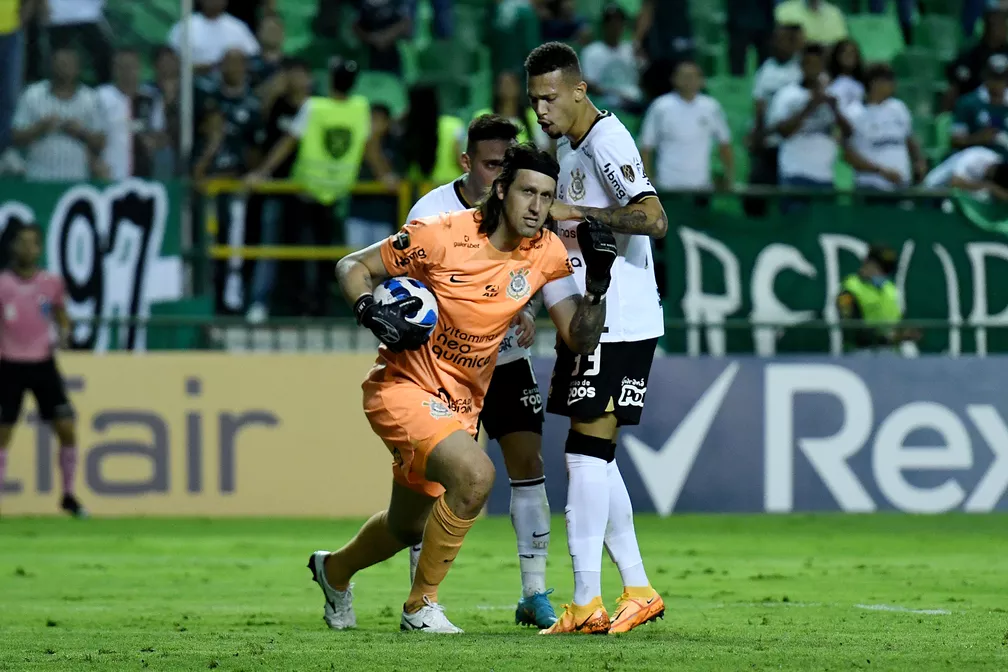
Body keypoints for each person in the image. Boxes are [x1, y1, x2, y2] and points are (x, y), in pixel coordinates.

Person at [309, 143, 616, 634]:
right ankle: (419, 607)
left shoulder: (545, 251)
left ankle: (334, 570)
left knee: (405, 525)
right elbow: (352, 266)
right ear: (500, 190)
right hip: (401, 386)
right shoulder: (442, 235)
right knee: (475, 477)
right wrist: (370, 311)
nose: (537, 207)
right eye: (527, 192)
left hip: (459, 405)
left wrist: (597, 287)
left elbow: (577, 338)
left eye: (546, 196)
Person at [525, 41, 668, 635]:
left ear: (580, 90)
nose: (541, 110)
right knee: (594, 457)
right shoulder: (567, 145)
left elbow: (653, 218)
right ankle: (634, 588)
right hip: (603, 316)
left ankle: (588, 600)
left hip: (618, 318)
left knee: (584, 456)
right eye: (535, 99)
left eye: (551, 97)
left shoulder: (608, 140)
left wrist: (578, 215)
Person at [403, 114, 558, 629]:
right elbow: (406, 288)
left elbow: (529, 272)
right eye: (491, 164)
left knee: (528, 461)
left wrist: (527, 309)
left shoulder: (525, 209)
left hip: (507, 363)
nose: (499, 176)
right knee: (438, 483)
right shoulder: (432, 212)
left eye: (506, 165)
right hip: (444, 368)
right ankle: (421, 596)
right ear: (466, 162)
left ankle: (534, 593)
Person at [247, 57, 395, 316]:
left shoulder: (318, 106)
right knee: (308, 254)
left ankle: (314, 307)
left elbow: (288, 142)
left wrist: (262, 172)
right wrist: (385, 175)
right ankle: (306, 306)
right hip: (317, 194)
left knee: (317, 255)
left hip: (317, 192)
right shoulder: (354, 108)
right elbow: (369, 148)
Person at [0, 223, 83, 518]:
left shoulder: (51, 283)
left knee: (67, 427)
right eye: (22, 243)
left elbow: (61, 314)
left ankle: (69, 495)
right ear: (13, 247)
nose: (27, 249)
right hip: (8, 364)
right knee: (3, 433)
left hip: (43, 363)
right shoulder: (3, 284)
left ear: (39, 248)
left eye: (33, 243)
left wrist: (65, 331)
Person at [767, 43, 852, 211]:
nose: (813, 69)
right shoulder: (787, 95)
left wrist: (835, 110)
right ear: (801, 66)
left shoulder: (833, 96)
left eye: (817, 64)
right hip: (795, 174)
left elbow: (849, 132)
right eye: (808, 64)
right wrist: (809, 106)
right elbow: (783, 132)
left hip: (825, 175)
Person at [639, 60, 735, 194]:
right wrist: (647, 180)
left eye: (693, 76)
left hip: (701, 186)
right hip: (667, 184)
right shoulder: (661, 107)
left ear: (701, 80)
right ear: (674, 79)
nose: (688, 80)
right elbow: (646, 147)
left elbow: (724, 144)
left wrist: (729, 176)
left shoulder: (711, 107)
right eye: (684, 76)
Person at [844, 64, 926, 194]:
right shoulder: (854, 113)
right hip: (870, 187)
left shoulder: (898, 108)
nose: (894, 85)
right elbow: (848, 155)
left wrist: (919, 161)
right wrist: (882, 171)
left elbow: (910, 139)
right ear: (874, 83)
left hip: (901, 186)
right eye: (889, 81)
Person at [836, 244, 921, 353]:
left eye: (888, 270)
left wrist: (906, 333)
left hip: (891, 354)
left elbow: (898, 320)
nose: (885, 274)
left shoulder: (890, 289)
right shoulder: (849, 290)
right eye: (882, 269)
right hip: (860, 355)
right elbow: (852, 330)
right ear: (868, 264)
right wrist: (887, 338)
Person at [923, 145, 1008, 200]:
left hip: (954, 197)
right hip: (932, 190)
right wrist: (987, 186)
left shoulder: (997, 160)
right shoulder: (974, 156)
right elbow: (954, 182)